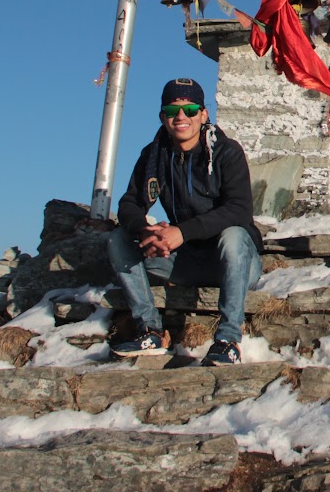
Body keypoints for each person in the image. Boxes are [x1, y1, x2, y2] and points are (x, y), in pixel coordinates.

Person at [108, 77, 262, 364]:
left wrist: (182, 232)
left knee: (234, 235)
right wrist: (145, 231)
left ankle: (228, 340)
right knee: (118, 239)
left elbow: (239, 210)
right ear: (162, 116)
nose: (181, 117)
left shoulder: (227, 152)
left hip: (235, 263)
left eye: (190, 109)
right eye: (172, 110)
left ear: (203, 114)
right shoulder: (155, 156)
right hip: (184, 261)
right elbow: (130, 202)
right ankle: (150, 329)